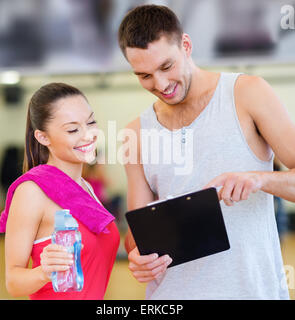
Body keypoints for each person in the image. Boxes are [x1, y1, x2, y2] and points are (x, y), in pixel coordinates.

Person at [118, 4, 295, 299]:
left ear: (186, 45)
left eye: (166, 67)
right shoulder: (135, 134)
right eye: (144, 76)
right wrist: (138, 259)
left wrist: (260, 180)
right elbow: (137, 235)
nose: (160, 84)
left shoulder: (246, 93)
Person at [0, 83, 120, 299]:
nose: (88, 135)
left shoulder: (87, 188)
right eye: (73, 129)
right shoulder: (31, 192)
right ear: (43, 137)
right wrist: (44, 272)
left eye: (91, 122)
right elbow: (13, 282)